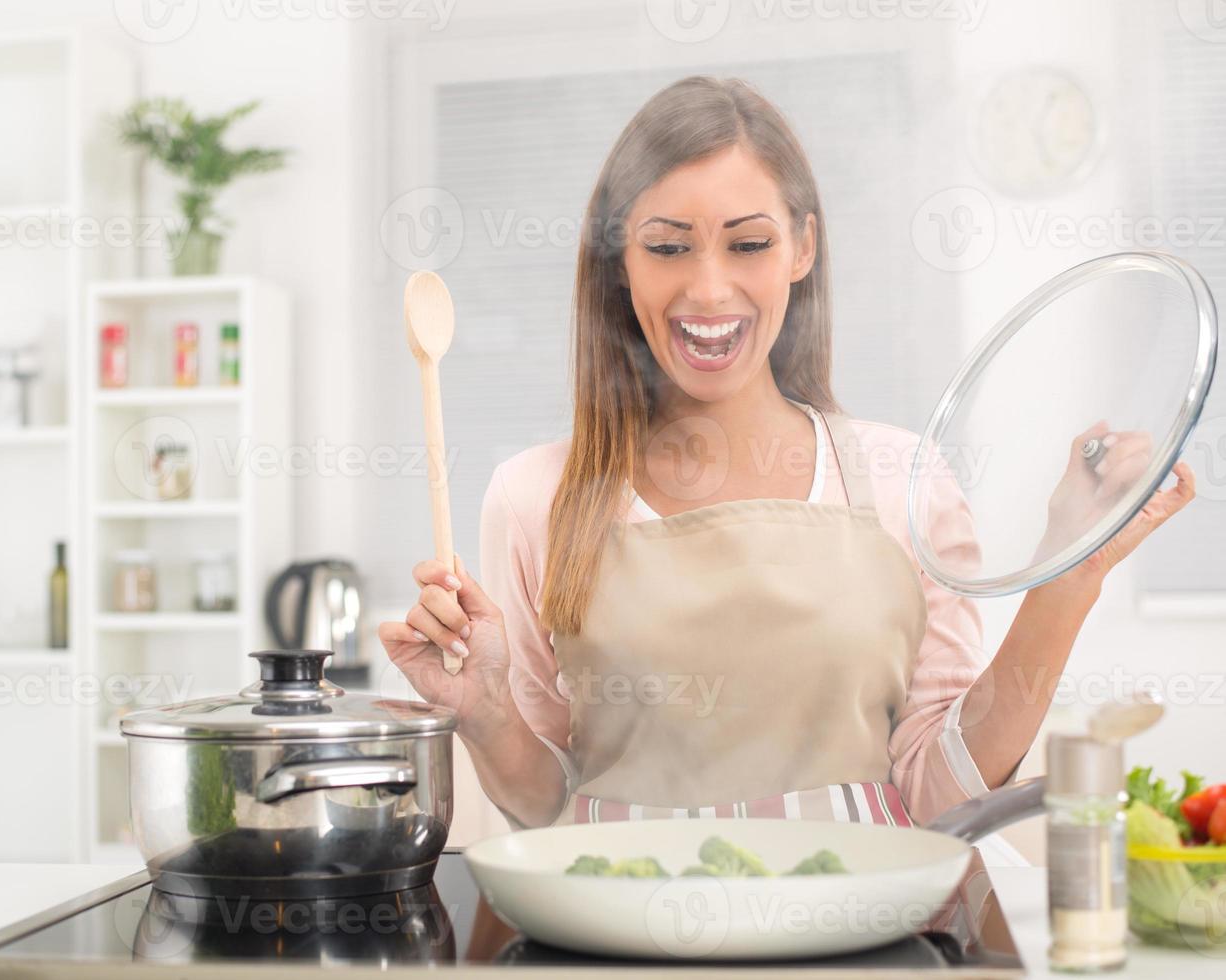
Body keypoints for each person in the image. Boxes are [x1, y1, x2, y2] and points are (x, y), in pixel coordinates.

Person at [378, 76, 1196, 831]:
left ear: (802, 247)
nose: (707, 290)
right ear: (620, 262)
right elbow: (544, 810)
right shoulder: (533, 497)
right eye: (667, 247)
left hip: (857, 934)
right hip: (619, 931)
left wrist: (1071, 571)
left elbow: (936, 793)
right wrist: (483, 709)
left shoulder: (900, 482)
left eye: (747, 244)